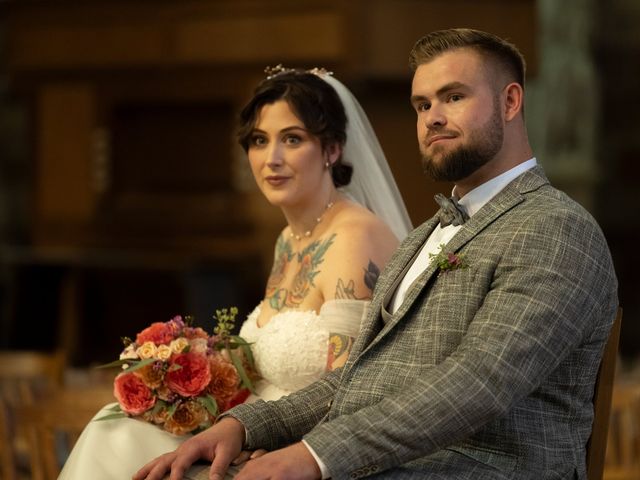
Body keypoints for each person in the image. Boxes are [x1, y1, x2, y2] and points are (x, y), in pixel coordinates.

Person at [135, 28, 619, 480]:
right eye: (421, 104)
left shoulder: (555, 227)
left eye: (453, 96)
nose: (432, 117)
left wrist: (314, 457)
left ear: (510, 100)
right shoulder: (423, 236)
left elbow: (479, 383)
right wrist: (244, 426)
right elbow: (360, 377)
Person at [57, 68, 412, 480]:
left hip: (301, 452)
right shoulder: (288, 239)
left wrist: (262, 439)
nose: (272, 158)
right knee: (118, 428)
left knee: (122, 447)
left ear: (332, 148)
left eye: (292, 139)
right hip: (252, 431)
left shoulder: (355, 236)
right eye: (260, 140)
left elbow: (351, 386)